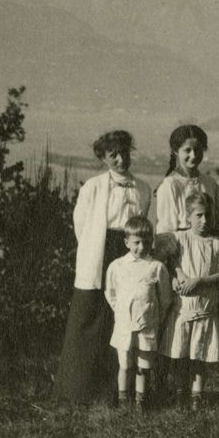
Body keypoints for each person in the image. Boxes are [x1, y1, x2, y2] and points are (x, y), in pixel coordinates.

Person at [53, 130, 153, 405]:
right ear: (103, 158)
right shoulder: (93, 187)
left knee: (122, 320)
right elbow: (82, 225)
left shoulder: (143, 188)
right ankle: (77, 392)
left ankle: (115, 392)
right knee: (89, 319)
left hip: (129, 252)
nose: (121, 160)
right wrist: (95, 251)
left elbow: (147, 225)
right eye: (113, 155)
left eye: (125, 153)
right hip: (98, 253)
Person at [159, 192, 219, 410]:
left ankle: (196, 396)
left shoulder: (218, 244)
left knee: (199, 356)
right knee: (181, 355)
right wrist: (176, 274)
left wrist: (199, 280)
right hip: (183, 310)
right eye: (198, 215)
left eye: (207, 215)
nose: (204, 221)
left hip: (205, 309)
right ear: (188, 216)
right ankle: (181, 394)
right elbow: (166, 259)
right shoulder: (180, 239)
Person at [105, 216, 175, 412]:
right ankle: (122, 400)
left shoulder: (156, 267)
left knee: (143, 365)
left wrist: (154, 317)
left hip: (147, 325)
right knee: (125, 364)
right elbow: (110, 293)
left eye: (146, 242)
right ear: (126, 242)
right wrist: (121, 313)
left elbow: (165, 298)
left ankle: (140, 402)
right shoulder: (116, 266)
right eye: (136, 242)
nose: (141, 247)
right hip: (124, 326)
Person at [154, 125, 219, 236]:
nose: (193, 155)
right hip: (181, 246)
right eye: (187, 150)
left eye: (197, 149)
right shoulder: (170, 184)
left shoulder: (209, 182)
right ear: (176, 152)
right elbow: (166, 230)